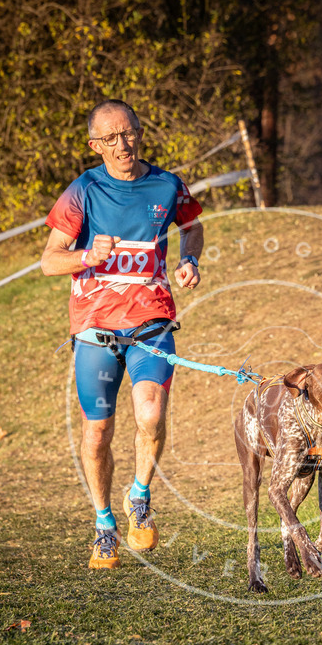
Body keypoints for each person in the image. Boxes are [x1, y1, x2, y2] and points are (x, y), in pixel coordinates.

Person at [41, 99, 203, 569]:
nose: (122, 144)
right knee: (98, 434)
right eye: (110, 138)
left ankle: (140, 498)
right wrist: (87, 257)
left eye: (128, 133)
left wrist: (190, 259)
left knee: (150, 415)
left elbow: (193, 227)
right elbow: (50, 260)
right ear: (95, 145)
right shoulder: (83, 190)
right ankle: (104, 525)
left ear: (139, 133)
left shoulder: (167, 185)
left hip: (152, 321)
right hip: (95, 330)